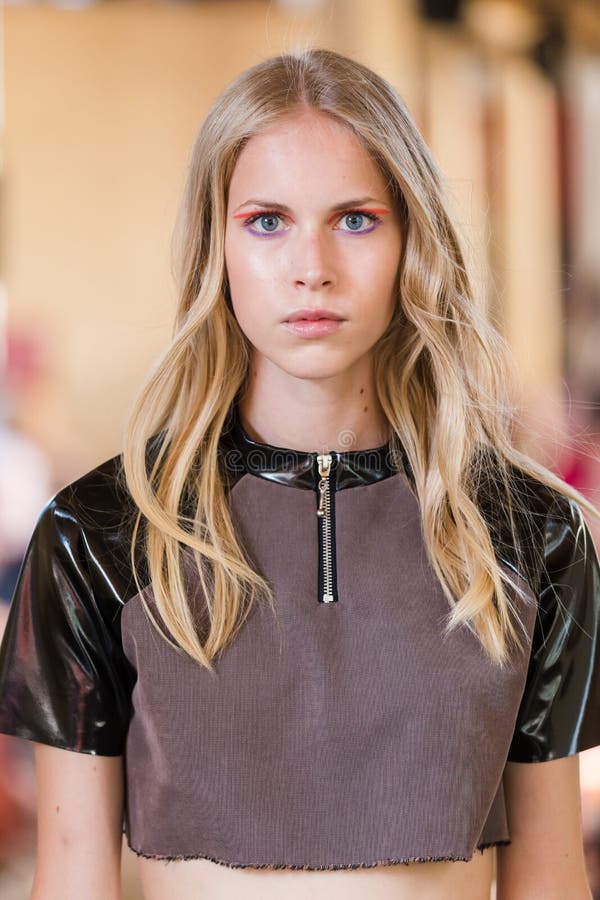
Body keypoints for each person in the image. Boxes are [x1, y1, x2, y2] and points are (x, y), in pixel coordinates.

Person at [0, 48, 599, 900]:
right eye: (267, 221)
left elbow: (550, 883)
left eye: (354, 218)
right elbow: (72, 882)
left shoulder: (531, 535)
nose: (310, 266)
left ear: (410, 240)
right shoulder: (98, 533)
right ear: (218, 243)